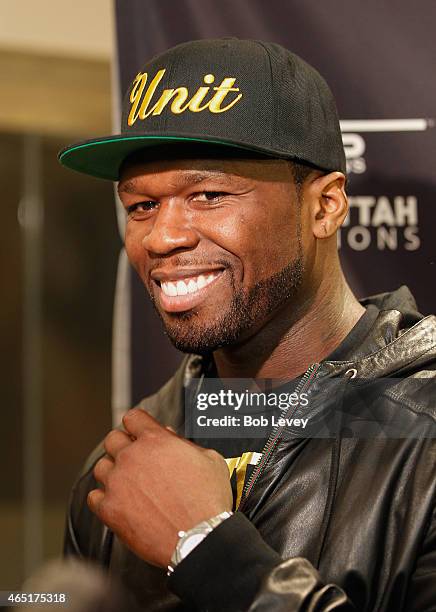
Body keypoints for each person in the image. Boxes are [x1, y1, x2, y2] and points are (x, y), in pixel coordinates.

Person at [59, 39, 436, 611]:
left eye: (209, 195)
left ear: (325, 206)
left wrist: (210, 553)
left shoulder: (423, 435)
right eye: (141, 206)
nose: (163, 237)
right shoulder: (120, 465)